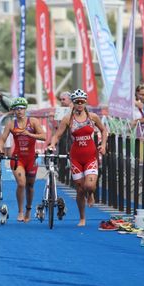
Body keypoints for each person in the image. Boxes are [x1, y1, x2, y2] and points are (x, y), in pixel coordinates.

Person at [48, 89, 108, 227]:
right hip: (76, 157)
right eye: (77, 102)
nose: (80, 104)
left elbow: (104, 130)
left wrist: (103, 145)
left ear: (85, 102)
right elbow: (57, 135)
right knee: (80, 189)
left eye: (82, 102)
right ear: (73, 103)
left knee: (89, 185)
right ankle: (82, 218)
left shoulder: (92, 117)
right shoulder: (67, 119)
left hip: (91, 156)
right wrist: (52, 144)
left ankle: (91, 194)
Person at [0, 97, 45, 222]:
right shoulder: (11, 124)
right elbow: (3, 138)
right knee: (21, 183)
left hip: (31, 158)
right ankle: (20, 211)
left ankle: (28, 209)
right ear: (14, 111)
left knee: (30, 186)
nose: (19, 111)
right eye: (17, 109)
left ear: (25, 109)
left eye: (22, 108)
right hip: (17, 158)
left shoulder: (33, 121)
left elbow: (44, 137)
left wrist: (30, 134)